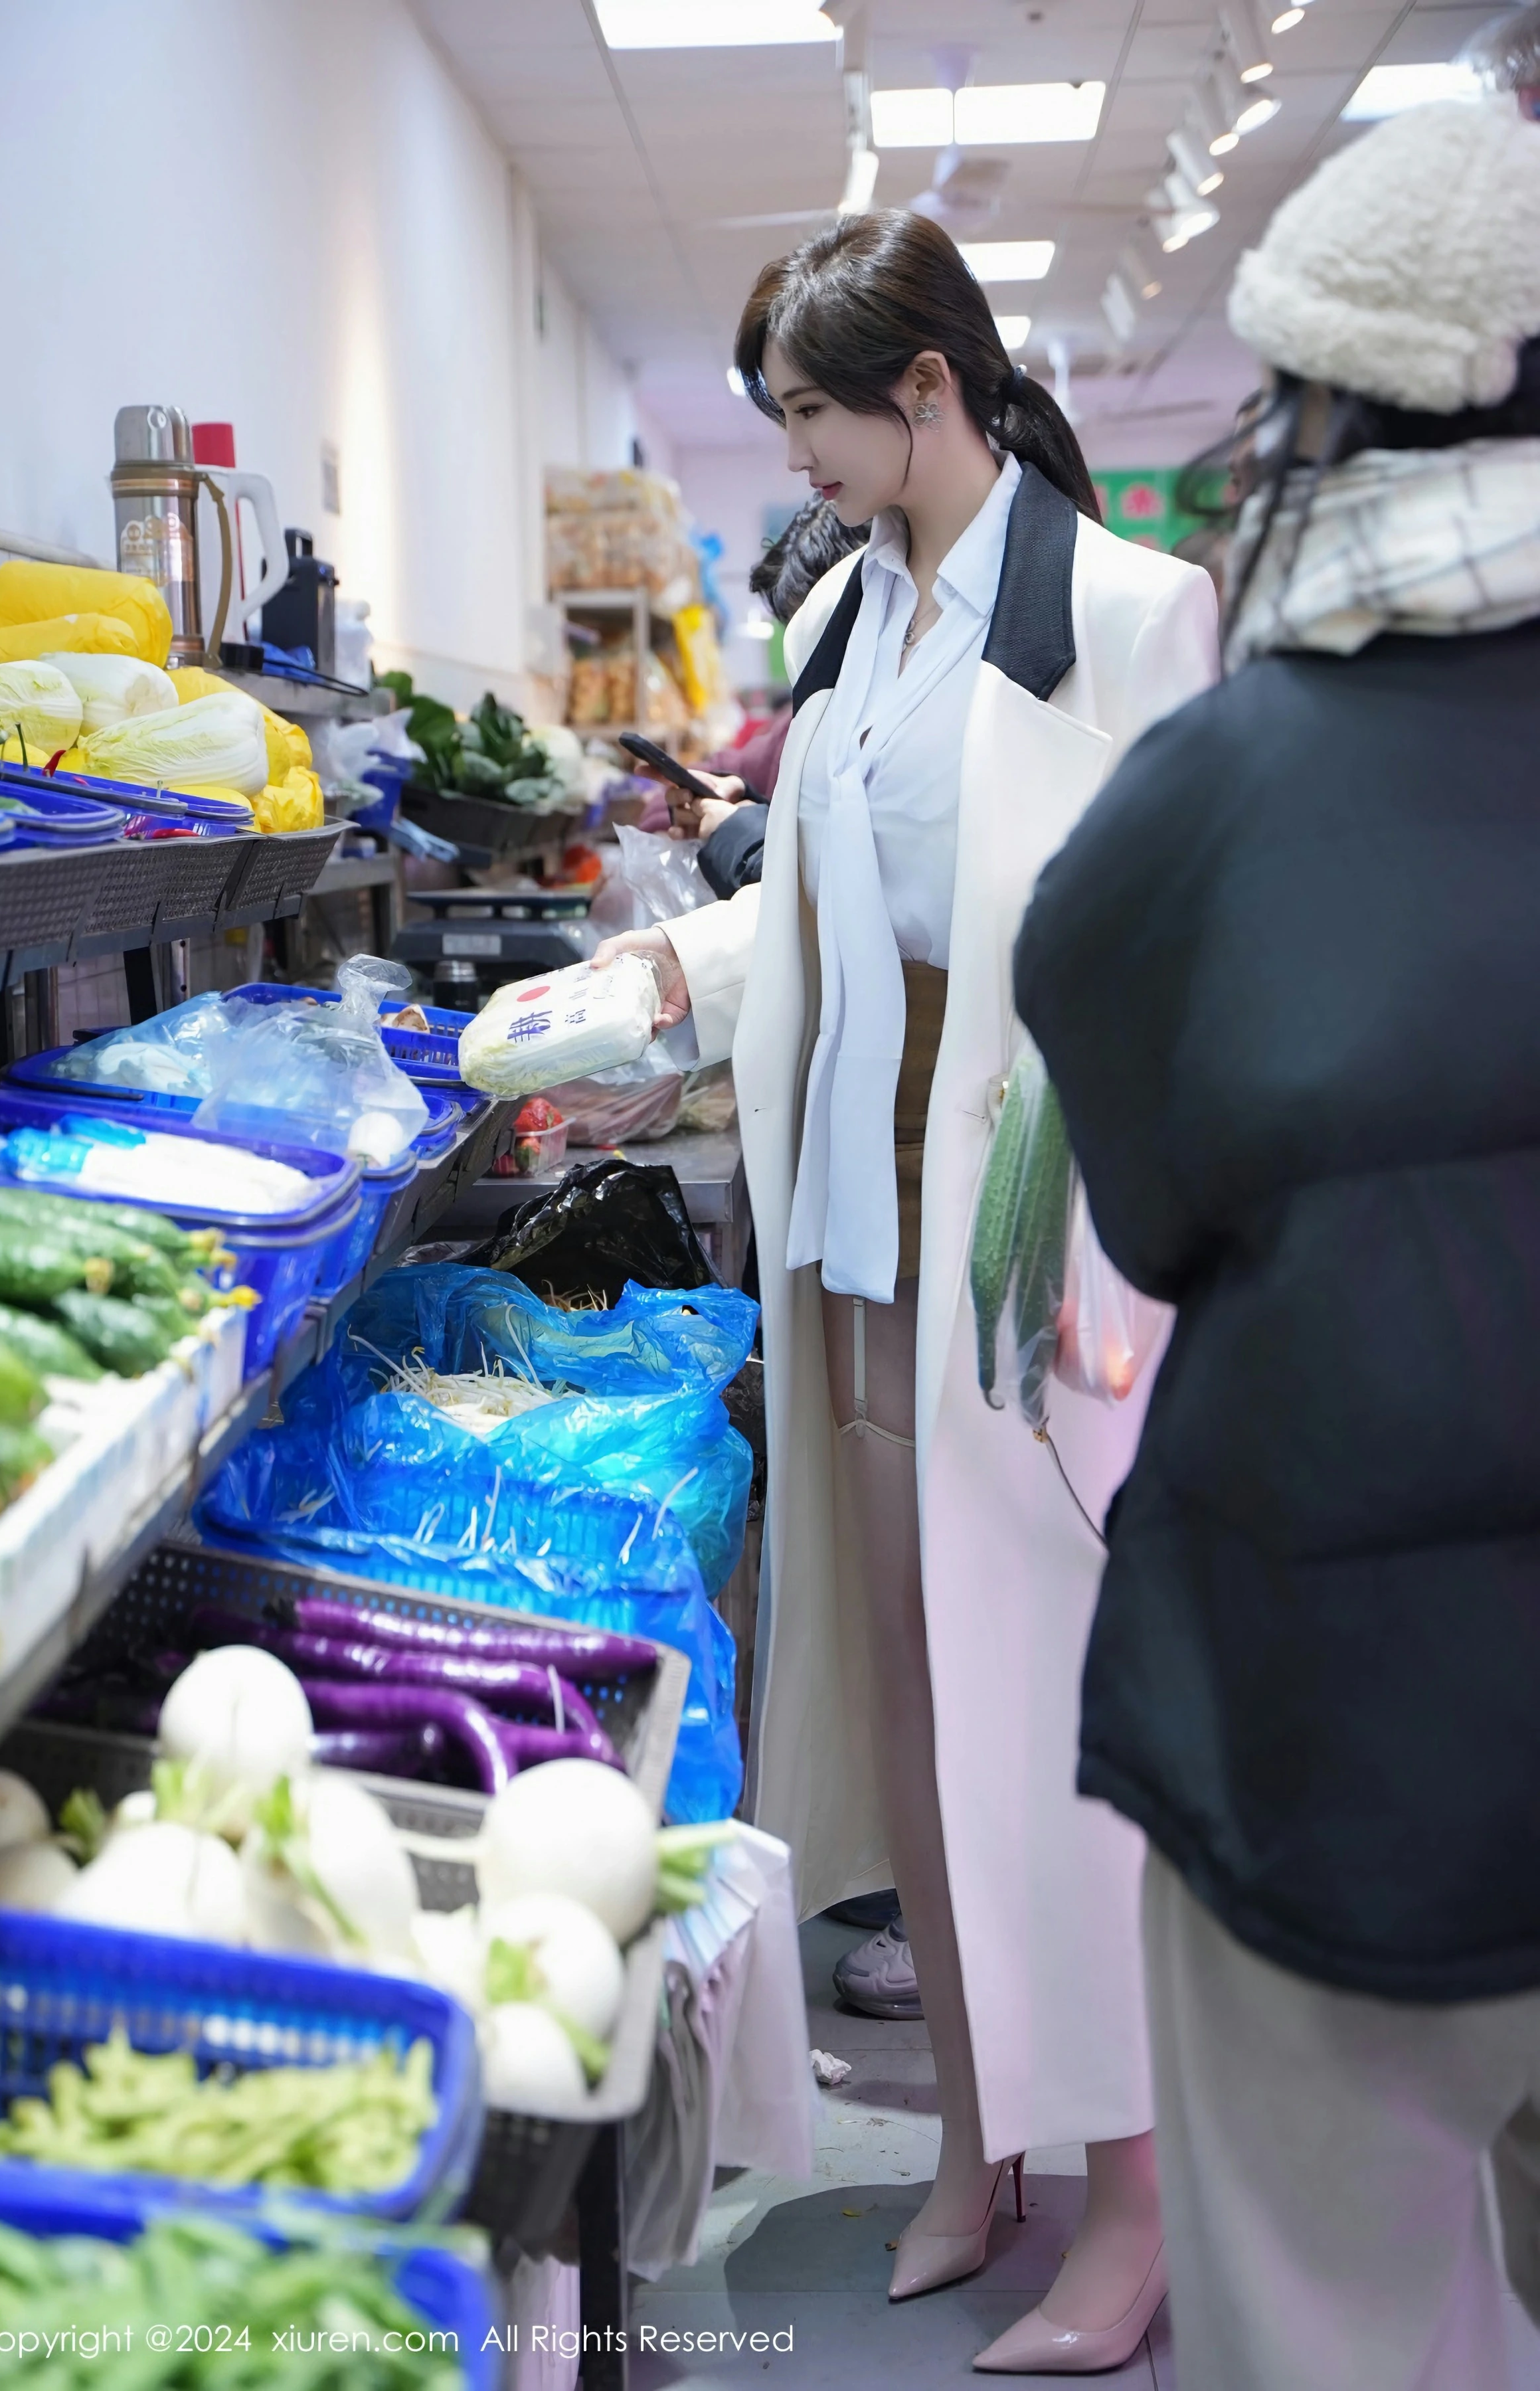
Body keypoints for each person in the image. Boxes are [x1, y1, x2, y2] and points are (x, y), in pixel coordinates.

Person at [595, 207, 1218, 2372]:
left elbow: (1180, 957)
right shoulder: (854, 615)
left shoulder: (1128, 613)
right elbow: (829, 901)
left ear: (929, 389)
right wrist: (659, 981)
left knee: (1063, 1743)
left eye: (812, 416)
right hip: (858, 1232)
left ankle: (1136, 2196)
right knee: (919, 1721)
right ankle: (978, 2139)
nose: (796, 459)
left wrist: (1107, 1243)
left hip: (1035, 1258)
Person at [1014, 93, 1540, 2390]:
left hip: (1326, 1727)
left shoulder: (1222, 797)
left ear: (1323, 409)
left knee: (1329, 2320)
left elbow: (1138, 1206)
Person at [665, 499, 869, 901]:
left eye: (816, 633)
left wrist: (737, 829)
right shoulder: (802, 727)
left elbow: (836, 885)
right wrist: (743, 802)